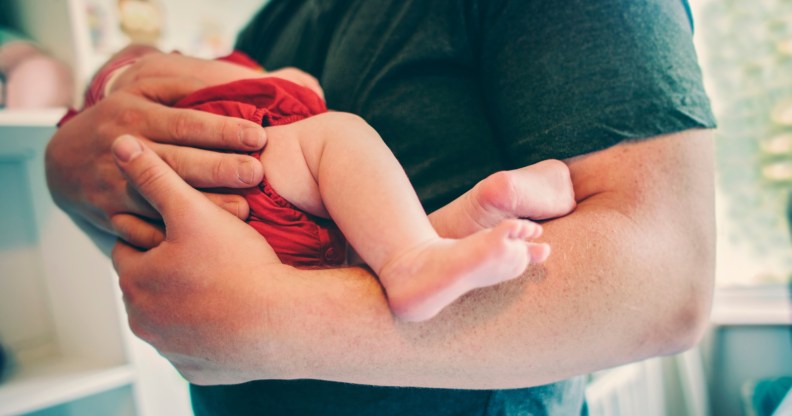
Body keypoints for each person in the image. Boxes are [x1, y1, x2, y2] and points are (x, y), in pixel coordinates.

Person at [45, 0, 717, 414]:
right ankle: (438, 241)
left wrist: (273, 321)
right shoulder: (275, 19)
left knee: (362, 196)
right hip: (299, 247)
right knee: (365, 206)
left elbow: (667, 287)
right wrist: (67, 168)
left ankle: (428, 250)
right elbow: (180, 269)